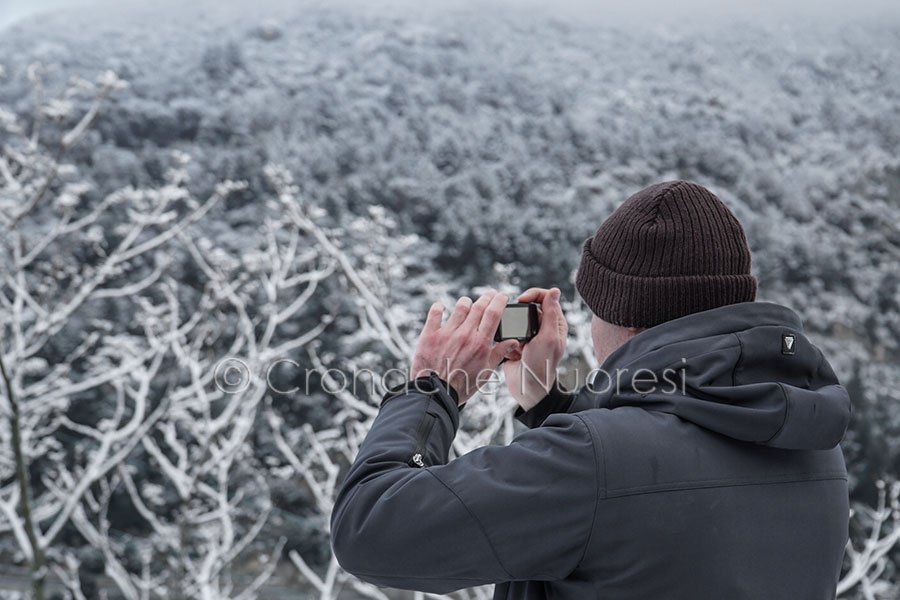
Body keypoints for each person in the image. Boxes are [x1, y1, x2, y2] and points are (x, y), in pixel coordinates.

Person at [329, 180, 851, 599]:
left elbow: (370, 531)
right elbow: (663, 486)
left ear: (620, 316)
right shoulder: (810, 442)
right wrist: (549, 403)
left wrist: (431, 388)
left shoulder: (594, 464)